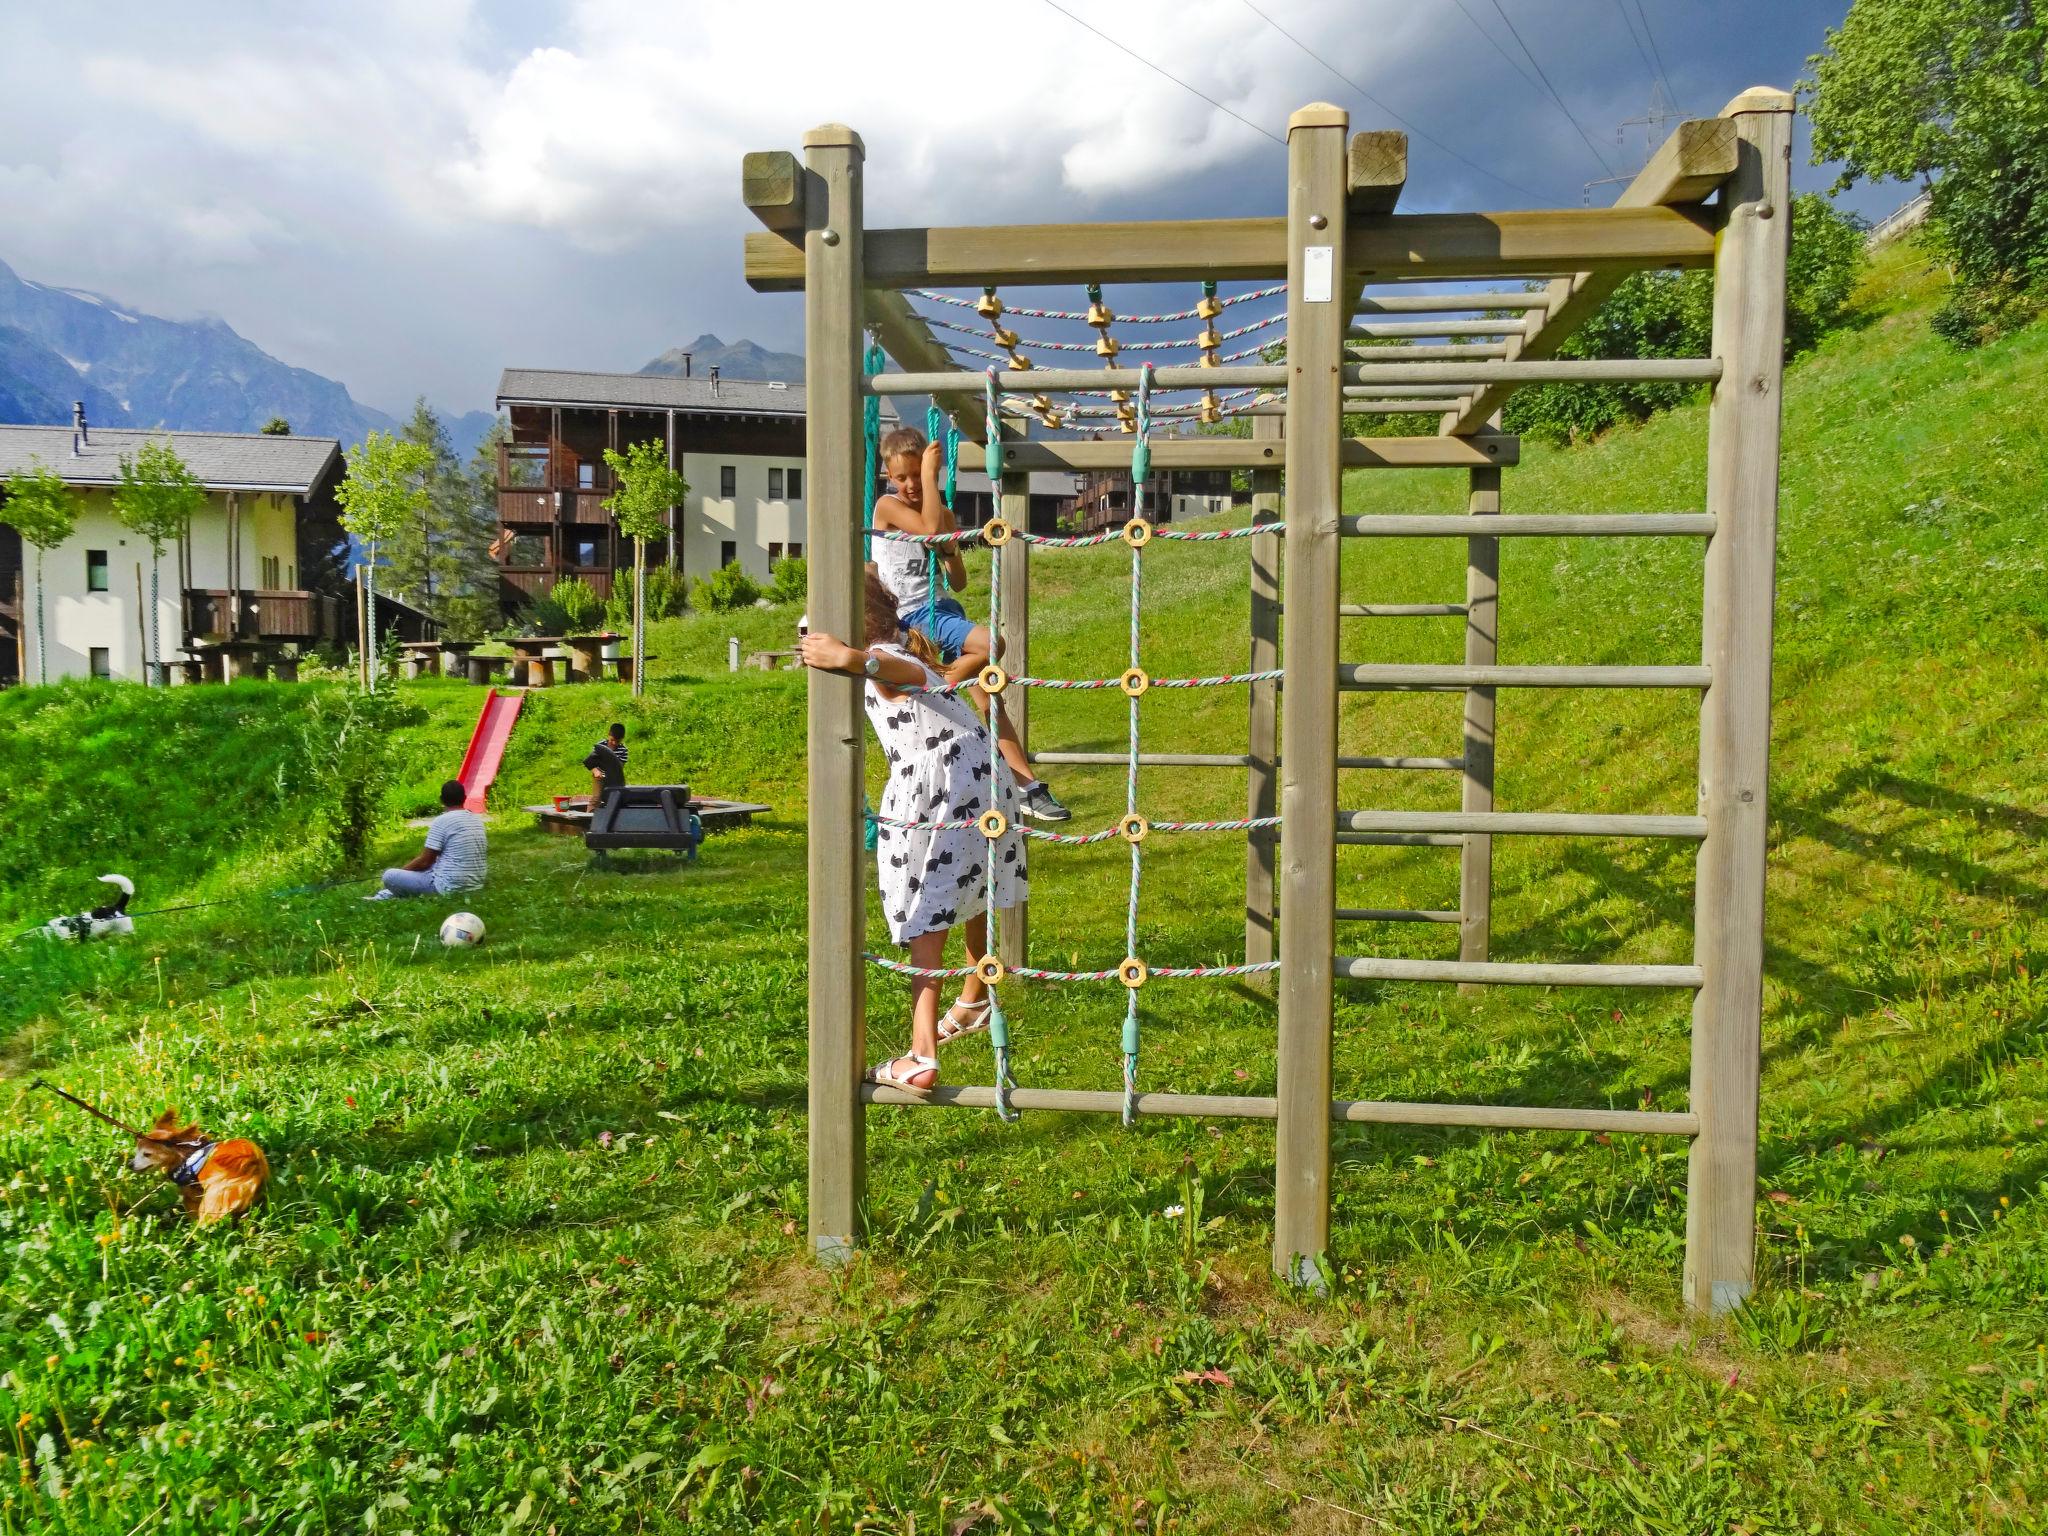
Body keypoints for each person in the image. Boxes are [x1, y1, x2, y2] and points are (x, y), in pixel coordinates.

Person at [796, 570, 1027, 1095]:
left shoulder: (882, 661)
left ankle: (922, 1054)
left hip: (938, 785)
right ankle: (972, 1000)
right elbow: (931, 680)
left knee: (927, 909)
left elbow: (904, 676)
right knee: (976, 889)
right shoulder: (906, 649)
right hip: (982, 775)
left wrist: (850, 659)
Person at [871, 426, 1071, 823]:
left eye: (917, 474)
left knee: (990, 697)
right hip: (914, 616)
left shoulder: (941, 515)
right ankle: (944, 681)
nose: (910, 484)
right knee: (992, 644)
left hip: (944, 610)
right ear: (889, 477)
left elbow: (957, 579)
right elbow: (927, 528)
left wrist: (949, 551)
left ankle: (1026, 786)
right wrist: (930, 480)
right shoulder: (887, 507)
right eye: (902, 477)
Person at [368, 780, 487, 899]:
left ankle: (387, 894)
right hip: (475, 885)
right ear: (465, 798)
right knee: (429, 868)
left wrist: (403, 872)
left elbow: (425, 861)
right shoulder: (477, 820)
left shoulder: (442, 821)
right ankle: (388, 894)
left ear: (441, 799)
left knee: (389, 876)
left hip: (447, 887)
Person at [585, 722, 628, 808]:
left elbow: (619, 767)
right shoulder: (601, 746)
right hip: (599, 776)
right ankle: (590, 816)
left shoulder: (623, 750)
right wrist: (595, 771)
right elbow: (590, 761)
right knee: (596, 798)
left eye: (618, 741)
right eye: (612, 740)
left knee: (614, 798)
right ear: (608, 735)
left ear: (622, 739)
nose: (614, 743)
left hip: (614, 778)